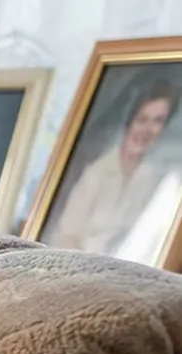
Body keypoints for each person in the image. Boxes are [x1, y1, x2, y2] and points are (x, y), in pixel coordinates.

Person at [45, 81, 179, 262]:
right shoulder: (95, 173)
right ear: (129, 121)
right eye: (142, 119)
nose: (147, 130)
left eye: (158, 121)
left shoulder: (156, 180)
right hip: (78, 267)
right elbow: (67, 236)